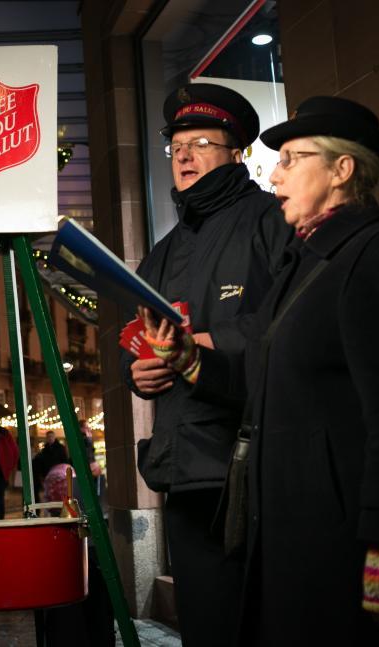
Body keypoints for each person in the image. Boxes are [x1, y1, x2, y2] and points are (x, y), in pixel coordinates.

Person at [145, 96, 379, 645]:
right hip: (289, 520)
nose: (274, 172)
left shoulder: (378, 252)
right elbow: (261, 372)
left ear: (341, 170)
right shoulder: (303, 263)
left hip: (340, 525)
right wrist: (191, 363)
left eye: (290, 160)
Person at [120, 83, 291, 646]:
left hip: (252, 467)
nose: (185, 156)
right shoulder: (162, 251)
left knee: (264, 621)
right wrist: (139, 375)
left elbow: (289, 325)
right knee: (206, 625)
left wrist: (208, 344)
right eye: (177, 148)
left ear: (236, 152)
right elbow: (148, 343)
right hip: (182, 472)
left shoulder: (271, 219)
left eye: (201, 144)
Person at [32, 429, 67, 500]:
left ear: (54, 437)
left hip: (58, 474)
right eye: (48, 437)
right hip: (47, 474)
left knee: (58, 492)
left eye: (51, 436)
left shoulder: (60, 448)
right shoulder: (44, 450)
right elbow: (42, 462)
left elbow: (64, 461)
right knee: (49, 493)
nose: (50, 438)